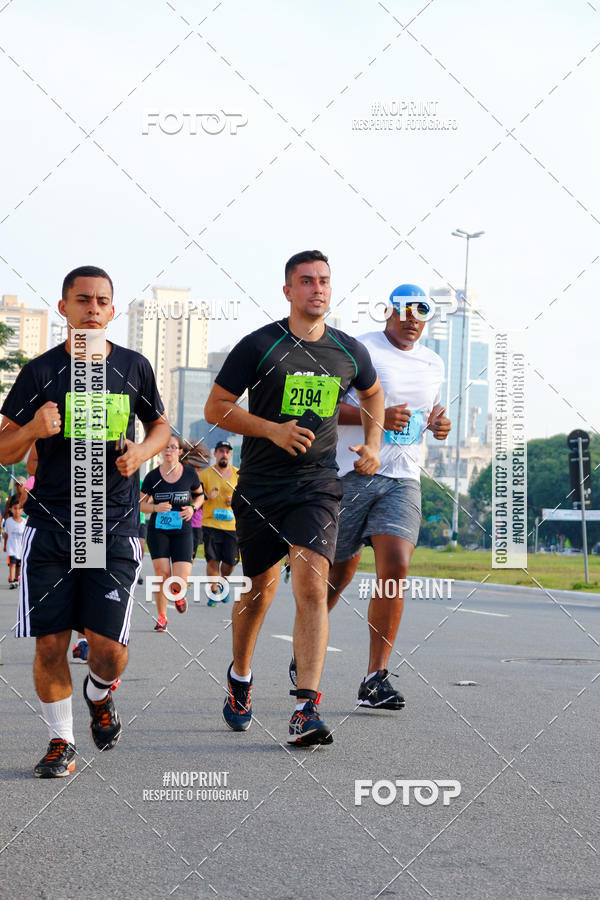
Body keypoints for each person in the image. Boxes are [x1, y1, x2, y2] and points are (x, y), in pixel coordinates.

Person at [204, 249, 384, 746]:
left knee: (310, 584)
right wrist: (272, 431)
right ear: (288, 291)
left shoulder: (348, 352)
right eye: (306, 281)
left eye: (324, 280)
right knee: (260, 590)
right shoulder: (259, 345)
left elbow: (372, 394)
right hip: (261, 486)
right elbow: (216, 407)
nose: (317, 289)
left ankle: (306, 707)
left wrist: (372, 443)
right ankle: (240, 676)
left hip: (317, 486)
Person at [0, 265, 170, 778]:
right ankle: (61, 742)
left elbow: (161, 425)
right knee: (51, 643)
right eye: (82, 300)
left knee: (109, 650)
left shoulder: (134, 367)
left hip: (112, 523)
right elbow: (5, 448)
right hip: (50, 523)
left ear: (112, 311)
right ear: (64, 308)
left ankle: (100, 692)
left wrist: (141, 450)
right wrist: (32, 426)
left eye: (101, 301)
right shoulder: (40, 371)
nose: (92, 308)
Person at [326, 283, 451, 710]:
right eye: (405, 312)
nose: (413, 320)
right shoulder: (361, 349)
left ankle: (374, 678)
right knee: (336, 577)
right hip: (352, 471)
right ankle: (309, 639)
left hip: (402, 477)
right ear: (388, 312)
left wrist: (439, 424)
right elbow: (325, 407)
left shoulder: (434, 362)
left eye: (422, 314)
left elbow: (425, 415)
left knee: (396, 566)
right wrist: (373, 414)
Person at [26, 444, 89, 663]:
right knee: (59, 595)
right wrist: (58, 468)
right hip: (54, 519)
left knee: (86, 587)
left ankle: (83, 642)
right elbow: (30, 464)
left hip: (90, 519)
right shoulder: (51, 422)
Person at [140, 435, 203, 631]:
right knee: (162, 575)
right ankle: (161, 617)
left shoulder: (190, 474)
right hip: (158, 531)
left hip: (182, 530)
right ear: (161, 451)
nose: (169, 451)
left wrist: (192, 508)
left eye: (173, 447)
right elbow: (140, 505)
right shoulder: (152, 477)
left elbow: (200, 496)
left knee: (179, 580)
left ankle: (178, 594)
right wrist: (155, 508)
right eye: (165, 447)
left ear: (180, 451)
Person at [201, 441, 239, 606]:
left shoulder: (239, 475)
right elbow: (194, 495)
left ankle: (223, 583)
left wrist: (236, 500)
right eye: (221, 451)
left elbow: (247, 498)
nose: (224, 454)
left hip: (232, 526)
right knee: (213, 560)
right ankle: (213, 591)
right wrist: (207, 496)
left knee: (230, 562)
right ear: (215, 454)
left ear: (230, 455)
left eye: (227, 452)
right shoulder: (205, 475)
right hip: (210, 524)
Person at [5, 498, 25, 587]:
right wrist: (5, 545)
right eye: (15, 508)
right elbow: (6, 535)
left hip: (21, 548)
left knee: (18, 565)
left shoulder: (24, 522)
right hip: (11, 548)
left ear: (22, 510)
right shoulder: (8, 521)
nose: (17, 511)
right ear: (11, 509)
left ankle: (17, 579)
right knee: (12, 564)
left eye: (19, 508)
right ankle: (12, 580)